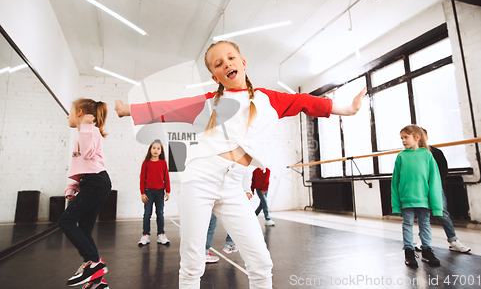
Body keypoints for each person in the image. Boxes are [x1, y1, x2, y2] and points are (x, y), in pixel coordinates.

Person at [115, 40, 366, 288]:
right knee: (192, 264)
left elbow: (305, 102)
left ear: (242, 63)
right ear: (215, 77)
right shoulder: (208, 103)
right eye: (219, 64)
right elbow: (168, 108)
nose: (227, 64)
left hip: (233, 186)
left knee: (261, 263)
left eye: (231, 58)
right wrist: (128, 109)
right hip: (199, 182)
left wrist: (348, 108)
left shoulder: (270, 100)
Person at [58, 98, 112, 288]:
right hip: (92, 182)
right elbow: (80, 165)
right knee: (84, 229)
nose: (68, 116)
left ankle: (94, 264)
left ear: (79, 113)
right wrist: (71, 187)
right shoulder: (84, 134)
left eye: (70, 112)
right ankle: (98, 280)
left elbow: (88, 154)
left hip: (96, 182)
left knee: (65, 221)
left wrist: (87, 127)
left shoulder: (90, 131)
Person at [391, 124, 443, 268]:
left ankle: (426, 250)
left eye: (406, 137)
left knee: (425, 224)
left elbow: (434, 181)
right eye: (401, 138)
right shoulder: (401, 156)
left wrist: (437, 205)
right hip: (406, 199)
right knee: (407, 224)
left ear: (416, 137)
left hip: (423, 199)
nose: (403, 140)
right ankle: (408, 250)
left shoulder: (427, 155)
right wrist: (396, 204)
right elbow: (395, 181)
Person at [421, 129, 471, 253]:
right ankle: (424, 241)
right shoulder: (410, 155)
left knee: (443, 213)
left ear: (426, 137)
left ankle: (453, 240)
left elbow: (443, 170)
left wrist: (435, 184)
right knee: (423, 214)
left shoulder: (436, 152)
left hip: (435, 187)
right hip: (419, 189)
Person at [206, 172, 252, 262]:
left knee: (211, 224)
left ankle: (228, 243)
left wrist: (247, 190)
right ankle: (229, 243)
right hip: (219, 193)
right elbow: (245, 174)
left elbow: (244, 174)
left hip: (217, 192)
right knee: (213, 223)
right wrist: (246, 190)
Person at [138, 139, 171, 246]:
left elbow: (166, 178)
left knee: (160, 214)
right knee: (147, 214)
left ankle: (161, 234)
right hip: (148, 192)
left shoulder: (163, 163)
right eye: (154, 148)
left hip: (160, 192)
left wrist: (168, 191)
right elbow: (142, 178)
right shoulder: (146, 163)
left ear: (161, 151)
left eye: (158, 148)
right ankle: (145, 235)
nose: (156, 150)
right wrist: (143, 193)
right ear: (150, 150)